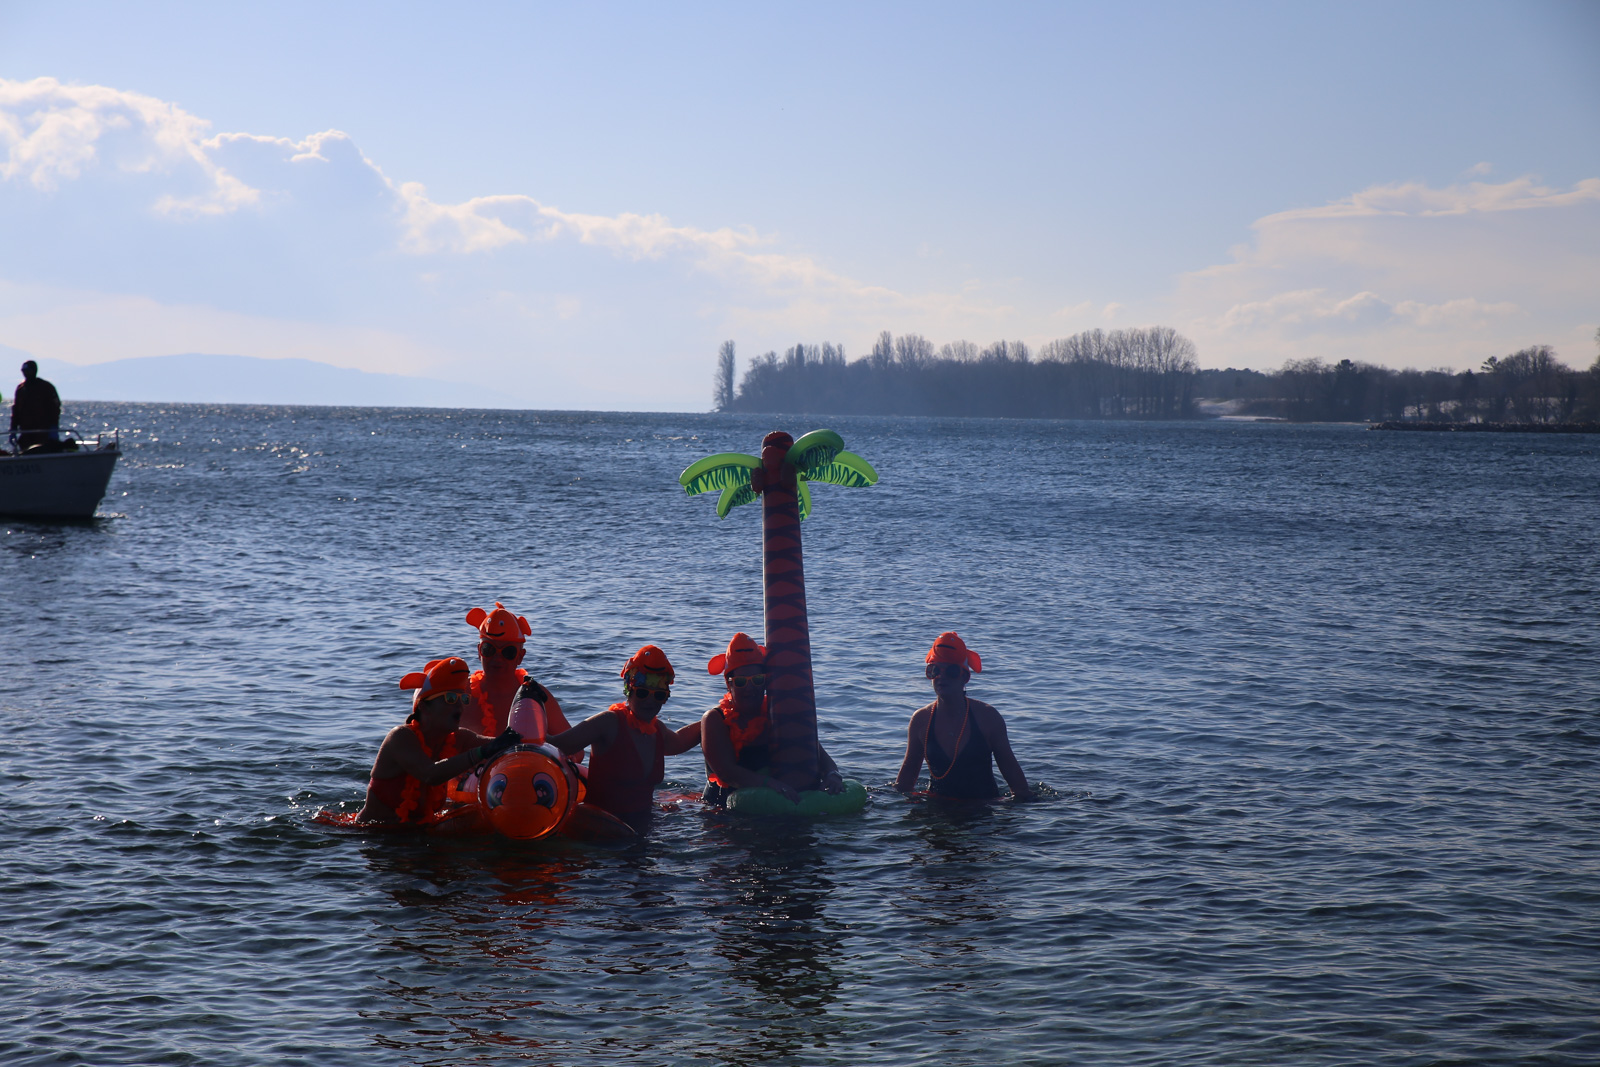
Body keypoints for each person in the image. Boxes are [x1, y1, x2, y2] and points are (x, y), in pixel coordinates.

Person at [546, 645, 702, 829]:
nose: (650, 701)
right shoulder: (608, 723)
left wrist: (716, 717)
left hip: (645, 826)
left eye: (659, 695)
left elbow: (680, 742)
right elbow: (559, 744)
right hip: (602, 830)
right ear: (629, 689)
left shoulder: (657, 730)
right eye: (643, 693)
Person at [358, 656, 521, 825]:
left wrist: (528, 701)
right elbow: (430, 774)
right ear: (423, 706)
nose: (459, 706)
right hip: (373, 835)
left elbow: (504, 743)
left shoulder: (460, 739)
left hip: (419, 832)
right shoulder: (400, 737)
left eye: (463, 699)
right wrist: (481, 753)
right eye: (450, 698)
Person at [700, 632, 845, 807]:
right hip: (721, 809)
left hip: (773, 802)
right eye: (740, 682)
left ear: (766, 682)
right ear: (729, 684)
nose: (749, 688)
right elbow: (727, 772)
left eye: (757, 680)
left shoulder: (779, 712)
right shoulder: (714, 719)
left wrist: (832, 774)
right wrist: (770, 784)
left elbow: (815, 751)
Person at [894, 632, 1033, 801]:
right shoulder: (921, 720)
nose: (941, 677)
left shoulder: (988, 718)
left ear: (965, 677)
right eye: (935, 670)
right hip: (937, 810)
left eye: (951, 671)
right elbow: (904, 785)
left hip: (981, 810)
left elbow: (1019, 788)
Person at [463, 602, 573, 740]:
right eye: (488, 649)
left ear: (520, 656)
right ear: (479, 652)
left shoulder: (537, 696)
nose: (497, 658)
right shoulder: (459, 694)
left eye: (508, 652)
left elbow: (573, 748)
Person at [10, 360, 62, 452]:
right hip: (26, 433)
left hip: (43, 432)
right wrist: (13, 429)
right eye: (23, 371)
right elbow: (16, 411)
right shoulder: (20, 389)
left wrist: (53, 427)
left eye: (28, 371)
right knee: (25, 452)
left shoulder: (46, 387)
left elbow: (55, 408)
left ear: (34, 371)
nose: (25, 373)